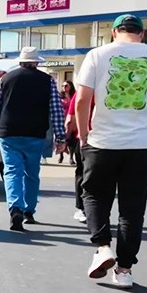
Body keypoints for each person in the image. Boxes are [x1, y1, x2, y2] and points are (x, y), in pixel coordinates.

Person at [74, 14, 147, 289]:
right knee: (132, 209)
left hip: (103, 142)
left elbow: (83, 100)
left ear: (113, 32)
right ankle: (124, 270)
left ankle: (102, 247)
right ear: (142, 34)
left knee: (95, 195)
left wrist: (84, 136)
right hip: (141, 144)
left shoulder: (97, 55)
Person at [0, 47, 66, 231]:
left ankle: (15, 208)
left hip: (8, 132)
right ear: (36, 62)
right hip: (35, 133)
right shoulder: (47, 81)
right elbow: (56, 111)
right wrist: (60, 137)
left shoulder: (6, 79)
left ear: (20, 61)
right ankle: (29, 209)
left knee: (12, 171)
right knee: (32, 172)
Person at [64, 80, 87, 223]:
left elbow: (70, 119)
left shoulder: (81, 93)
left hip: (84, 138)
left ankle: (81, 208)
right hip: (108, 140)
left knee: (81, 173)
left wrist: (65, 138)